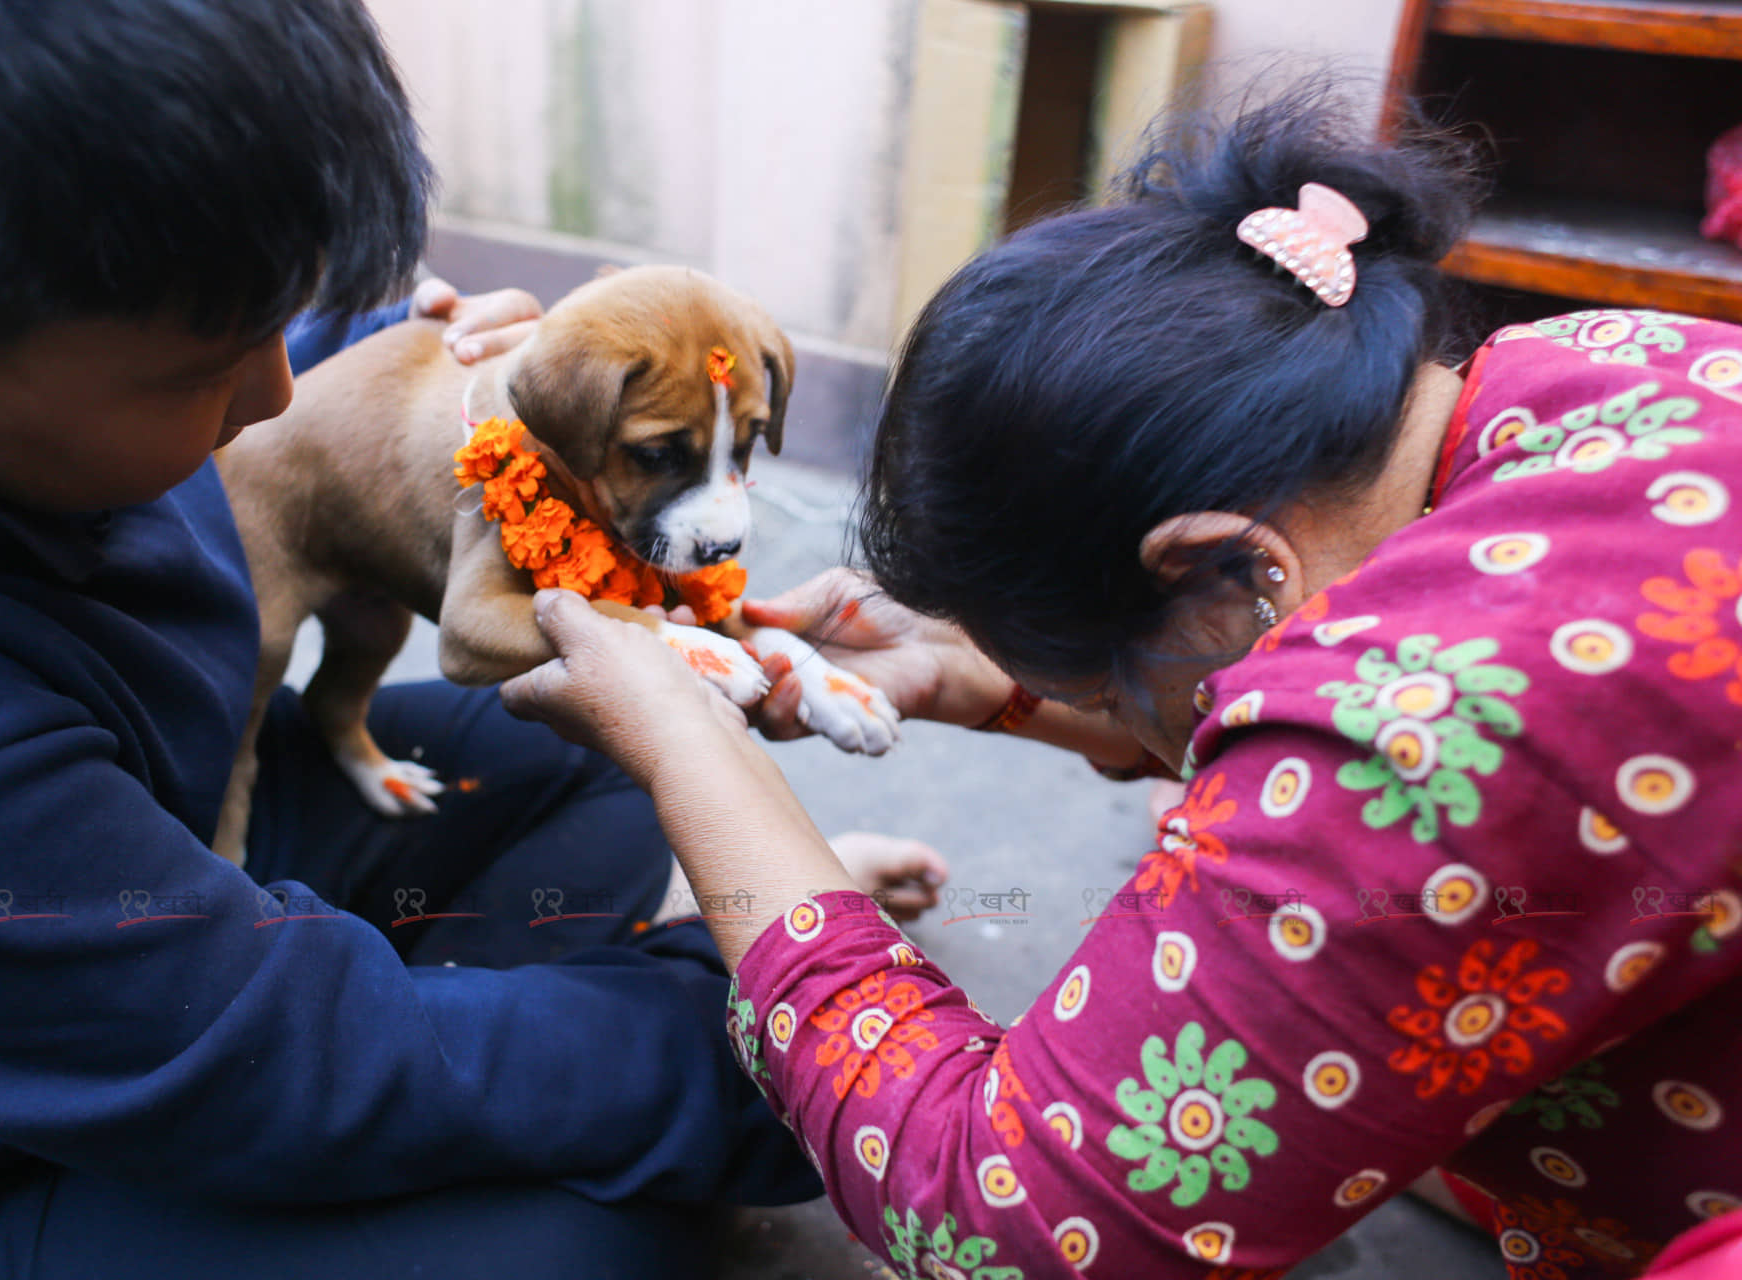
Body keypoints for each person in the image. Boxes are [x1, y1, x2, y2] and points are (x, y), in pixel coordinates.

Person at [502, 85, 1742, 1279]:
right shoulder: (1586, 360)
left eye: (1100, 676)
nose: (1128, 718)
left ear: (1225, 563)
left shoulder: (1404, 744)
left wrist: (692, 753)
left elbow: (995, 1214)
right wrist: (983, 676)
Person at [0, 2, 958, 1274]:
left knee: (593, 735)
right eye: (205, 362)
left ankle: (533, 1017)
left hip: (171, 862)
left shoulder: (24, 395)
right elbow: (262, 1048)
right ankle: (611, 1003)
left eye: (286, 316)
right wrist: (802, 1036)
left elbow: (279, 381)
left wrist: (410, 362)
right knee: (574, 1238)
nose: (272, 394)